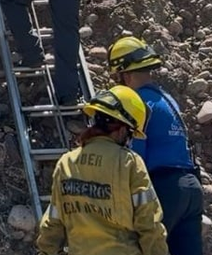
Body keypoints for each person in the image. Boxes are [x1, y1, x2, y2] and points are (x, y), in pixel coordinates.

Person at [36, 86, 169, 255]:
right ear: (122, 130)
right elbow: (149, 223)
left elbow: (53, 221)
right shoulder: (129, 162)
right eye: (130, 134)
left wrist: (46, 250)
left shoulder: (66, 162)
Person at [106, 36, 204, 255]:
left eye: (116, 77)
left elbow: (136, 156)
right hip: (191, 188)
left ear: (126, 74)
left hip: (164, 187)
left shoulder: (137, 102)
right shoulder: (166, 99)